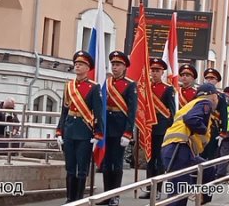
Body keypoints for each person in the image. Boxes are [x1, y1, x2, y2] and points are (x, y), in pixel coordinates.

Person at [55, 50, 103, 203]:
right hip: (69, 130)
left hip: (85, 131)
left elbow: (98, 112)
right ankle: (70, 198)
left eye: (81, 64)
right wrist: (59, 131)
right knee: (70, 167)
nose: (77, 66)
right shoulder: (68, 86)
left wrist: (98, 134)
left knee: (82, 169)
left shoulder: (94, 87)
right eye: (76, 64)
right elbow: (64, 111)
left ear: (88, 68)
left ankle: (79, 199)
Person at [161, 83, 219, 206]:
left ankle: (203, 198)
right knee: (179, 194)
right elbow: (191, 119)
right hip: (179, 148)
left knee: (208, 169)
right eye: (217, 97)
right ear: (213, 96)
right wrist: (203, 130)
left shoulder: (191, 104)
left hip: (176, 149)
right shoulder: (205, 103)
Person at [98, 51, 137, 206]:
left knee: (117, 163)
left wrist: (128, 133)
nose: (115, 67)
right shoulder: (106, 83)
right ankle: (107, 195)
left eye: (118, 65)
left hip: (120, 128)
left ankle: (115, 196)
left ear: (124, 67)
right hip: (106, 127)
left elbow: (132, 111)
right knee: (106, 164)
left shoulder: (130, 85)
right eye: (113, 64)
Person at [139, 58, 175, 200]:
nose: (154, 73)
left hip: (161, 128)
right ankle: (149, 188)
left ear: (162, 72)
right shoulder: (145, 88)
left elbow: (171, 111)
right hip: (148, 128)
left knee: (159, 160)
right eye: (152, 70)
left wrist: (169, 129)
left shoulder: (168, 89)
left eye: (157, 71)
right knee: (149, 159)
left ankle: (158, 189)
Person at [200, 68, 228, 160]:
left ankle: (209, 173)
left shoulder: (220, 95)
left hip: (213, 127)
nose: (209, 80)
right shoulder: (200, 93)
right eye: (207, 78)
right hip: (201, 126)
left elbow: (224, 113)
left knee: (211, 153)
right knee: (199, 152)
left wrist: (223, 131)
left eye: (212, 78)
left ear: (216, 81)